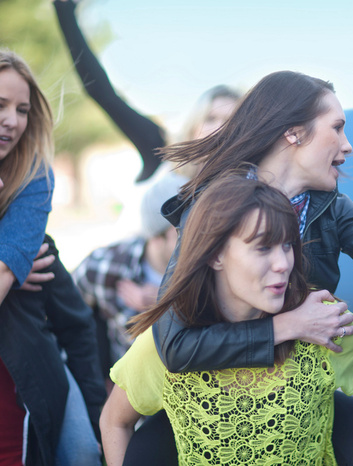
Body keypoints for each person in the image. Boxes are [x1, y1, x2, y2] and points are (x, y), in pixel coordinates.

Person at [126, 70, 353, 465]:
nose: (348, 145)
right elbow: (175, 345)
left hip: (294, 401)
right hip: (213, 403)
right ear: (293, 134)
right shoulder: (214, 205)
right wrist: (288, 326)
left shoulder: (330, 206)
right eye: (337, 128)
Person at [100, 175, 353, 465]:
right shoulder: (171, 341)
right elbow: (114, 421)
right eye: (263, 247)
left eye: (287, 246)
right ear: (215, 255)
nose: (283, 264)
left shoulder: (319, 319)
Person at [0, 49, 105, 466]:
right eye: (0, 105)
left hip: (26, 377)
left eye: (22, 109)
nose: (12, 119)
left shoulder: (34, 180)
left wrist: (13, 265)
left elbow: (74, 323)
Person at [53, 0, 241, 182]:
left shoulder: (243, 183)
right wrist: (65, 8)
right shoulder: (160, 147)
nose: (218, 128)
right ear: (194, 123)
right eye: (210, 118)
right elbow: (102, 93)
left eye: (228, 122)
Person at [72, 173, 186, 387]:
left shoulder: (211, 266)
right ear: (156, 235)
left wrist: (168, 303)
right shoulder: (106, 266)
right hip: (129, 399)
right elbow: (65, 315)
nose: (195, 236)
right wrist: (97, 382)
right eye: (182, 230)